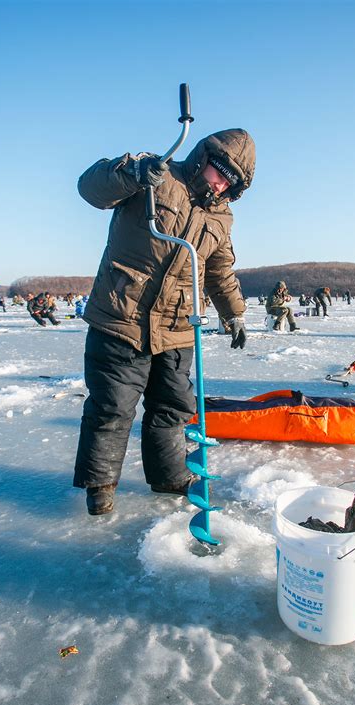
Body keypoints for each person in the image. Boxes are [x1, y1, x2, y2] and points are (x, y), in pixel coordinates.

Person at [73, 128, 255, 515]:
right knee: (113, 406)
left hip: (177, 326)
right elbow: (91, 188)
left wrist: (234, 312)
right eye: (218, 170)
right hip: (122, 315)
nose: (220, 182)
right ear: (204, 157)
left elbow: (219, 270)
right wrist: (133, 173)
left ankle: (169, 475)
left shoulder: (222, 218)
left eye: (230, 180)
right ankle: (100, 485)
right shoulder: (157, 175)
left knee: (172, 406)